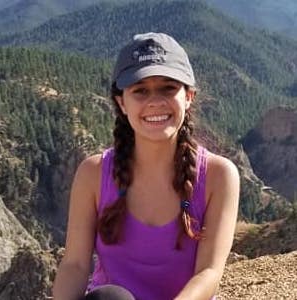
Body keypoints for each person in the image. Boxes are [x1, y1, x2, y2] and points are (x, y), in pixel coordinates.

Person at [53, 32, 240, 300]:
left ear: (189, 97)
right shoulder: (93, 174)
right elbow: (75, 265)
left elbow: (209, 272)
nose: (155, 101)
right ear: (121, 102)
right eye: (140, 90)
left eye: (168, 88)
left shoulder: (218, 176)